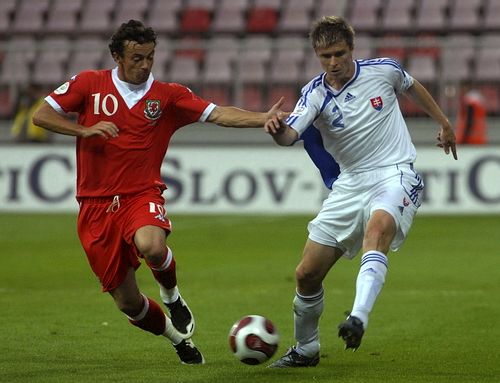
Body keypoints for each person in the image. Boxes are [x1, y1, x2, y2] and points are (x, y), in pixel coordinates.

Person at [32, 20, 284, 365]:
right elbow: (41, 115)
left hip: (141, 194)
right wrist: (84, 130)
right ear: (118, 56)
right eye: (137, 58)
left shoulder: (169, 95)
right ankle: (177, 339)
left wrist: (262, 118)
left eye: (150, 57)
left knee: (152, 245)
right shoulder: (89, 84)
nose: (146, 65)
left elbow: (218, 114)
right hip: (94, 205)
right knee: (128, 303)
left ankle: (171, 294)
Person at [264, 16, 458, 368]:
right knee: (306, 274)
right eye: (325, 56)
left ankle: (357, 318)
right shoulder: (315, 94)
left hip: (395, 173)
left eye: (339, 54)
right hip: (350, 183)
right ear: (317, 55)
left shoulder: (383, 71)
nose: (333, 63)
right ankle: (306, 349)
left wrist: (444, 122)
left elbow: (412, 86)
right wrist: (276, 129)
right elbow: (289, 137)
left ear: (352, 49)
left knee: (378, 229)